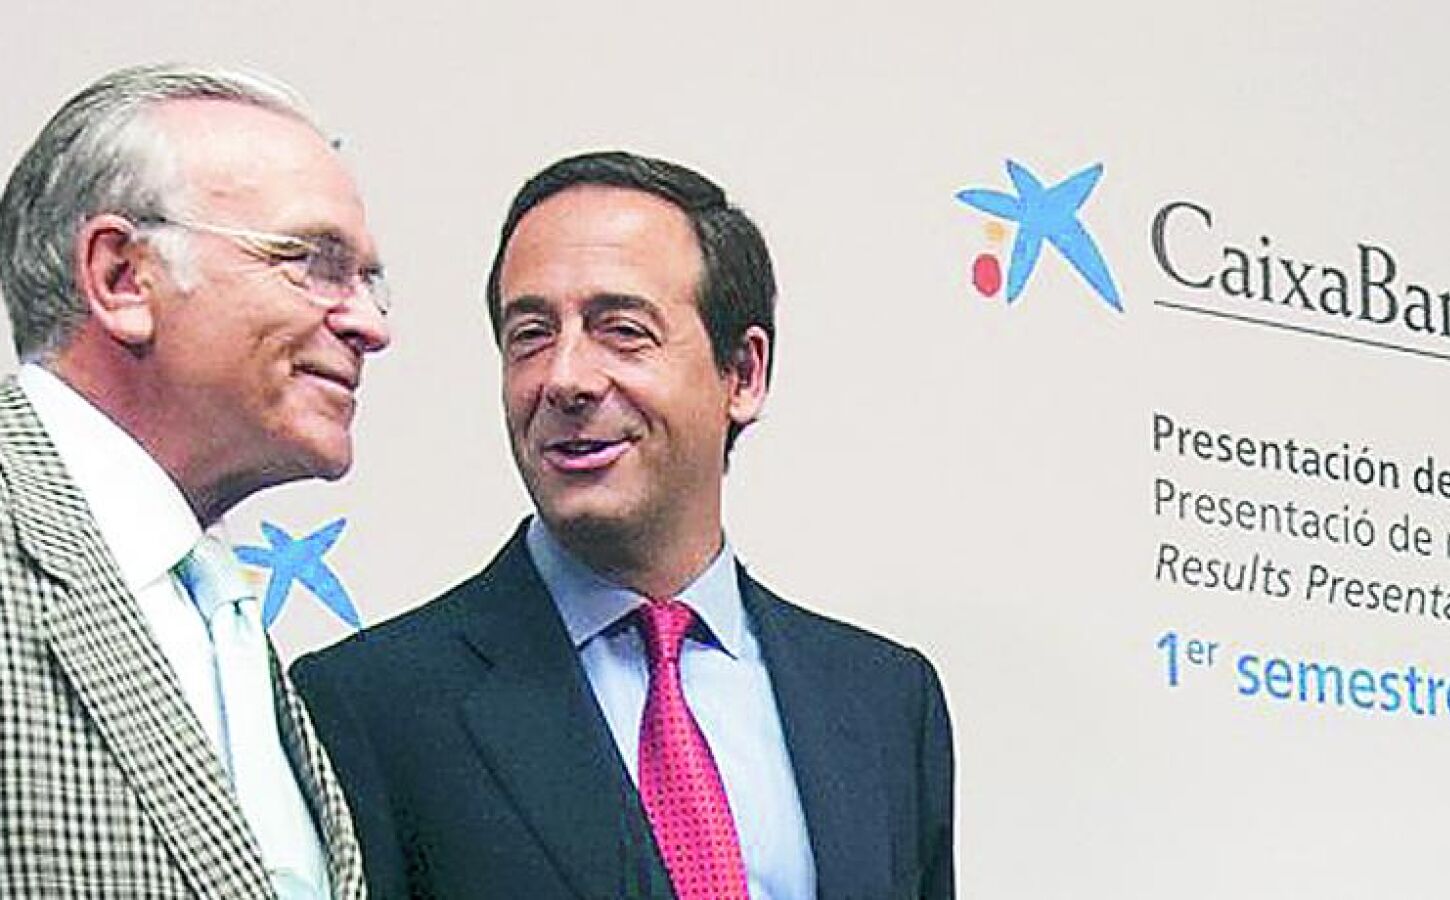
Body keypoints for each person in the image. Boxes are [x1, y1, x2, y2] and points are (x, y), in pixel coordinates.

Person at [292, 151, 954, 899]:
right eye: (531, 335)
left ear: (743, 374)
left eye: (622, 330)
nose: (566, 378)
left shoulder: (885, 702)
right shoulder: (368, 708)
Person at [0, 64, 390, 898]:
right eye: (315, 263)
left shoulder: (217, 609)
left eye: (368, 280)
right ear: (122, 279)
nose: (370, 324)